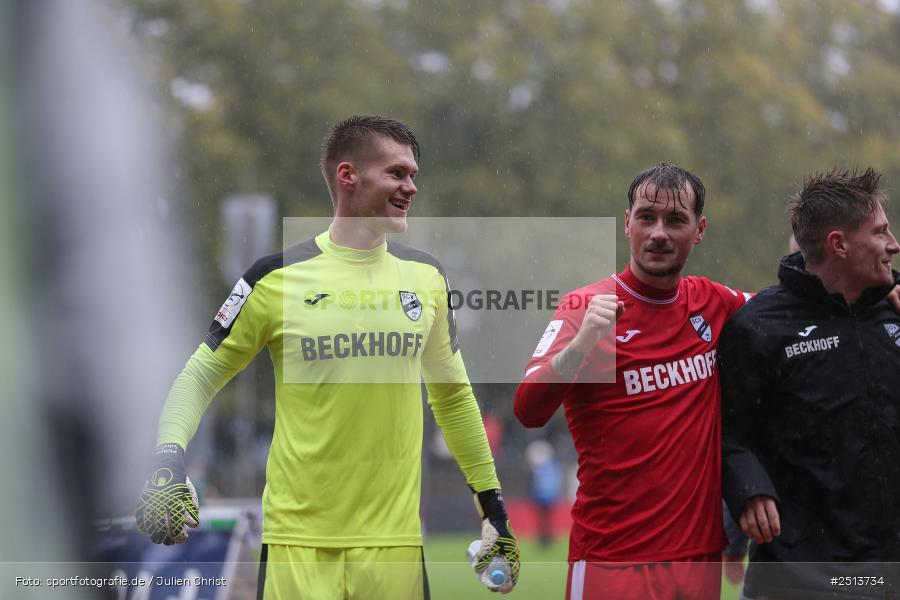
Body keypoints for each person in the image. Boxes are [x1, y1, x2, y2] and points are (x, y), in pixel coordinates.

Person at [134, 116, 520, 599]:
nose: (411, 187)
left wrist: (493, 509)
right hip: (296, 546)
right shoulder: (273, 278)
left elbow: (453, 398)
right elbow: (200, 375)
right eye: (396, 173)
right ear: (348, 175)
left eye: (413, 175)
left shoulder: (426, 278)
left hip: (394, 548)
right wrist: (167, 460)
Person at [515, 163, 752, 600]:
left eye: (675, 220)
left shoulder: (714, 303)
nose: (658, 233)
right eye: (646, 217)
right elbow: (528, 410)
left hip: (698, 560)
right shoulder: (585, 307)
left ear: (699, 230)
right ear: (627, 223)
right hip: (613, 561)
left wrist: (876, 291)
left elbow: (786, 312)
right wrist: (582, 345)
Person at [720, 167, 900, 599]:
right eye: (880, 233)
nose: (894, 244)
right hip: (798, 577)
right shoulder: (758, 327)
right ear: (839, 244)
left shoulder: (895, 309)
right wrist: (748, 490)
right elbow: (728, 433)